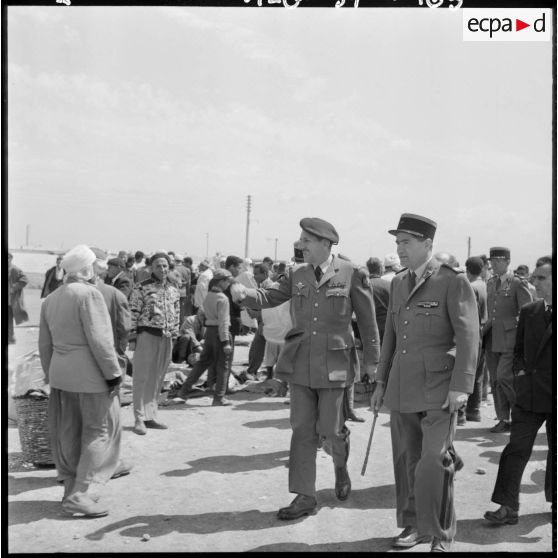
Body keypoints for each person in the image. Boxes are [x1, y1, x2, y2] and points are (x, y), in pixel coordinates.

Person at [232, 217, 380, 520]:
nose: (301, 245)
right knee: (302, 430)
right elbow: (267, 297)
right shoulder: (296, 273)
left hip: (336, 366)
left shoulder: (353, 273)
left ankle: (340, 467)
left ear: (326, 244)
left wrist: (373, 362)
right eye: (301, 240)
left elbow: (367, 322)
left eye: (307, 241)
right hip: (300, 365)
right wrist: (242, 293)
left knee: (331, 430)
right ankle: (305, 495)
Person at [370, 213, 479, 552]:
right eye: (398, 242)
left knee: (435, 461)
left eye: (407, 242)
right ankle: (414, 525)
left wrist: (462, 386)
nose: (400, 249)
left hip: (439, 389)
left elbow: (469, 335)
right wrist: (380, 383)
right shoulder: (399, 282)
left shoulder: (451, 281)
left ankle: (441, 534)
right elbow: (390, 335)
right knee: (407, 461)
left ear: (428, 244)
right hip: (402, 386)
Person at [38, 245, 123, 517]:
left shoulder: (51, 298)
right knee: (97, 432)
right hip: (89, 374)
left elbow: (44, 344)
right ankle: (79, 494)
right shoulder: (89, 294)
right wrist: (113, 374)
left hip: (61, 375)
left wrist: (51, 373)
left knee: (70, 432)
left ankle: (69, 490)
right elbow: (100, 341)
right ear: (86, 269)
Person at [484, 256, 553, 525]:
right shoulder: (531, 311)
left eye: (541, 278)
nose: (534, 282)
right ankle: (507, 506)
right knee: (516, 449)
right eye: (534, 277)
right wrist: (521, 374)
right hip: (529, 396)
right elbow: (519, 351)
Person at [128, 252, 180, 435]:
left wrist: (174, 335)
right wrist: (132, 338)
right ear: (151, 268)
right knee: (141, 377)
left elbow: (177, 312)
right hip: (146, 335)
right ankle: (138, 418)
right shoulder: (141, 288)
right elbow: (133, 312)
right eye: (158, 266)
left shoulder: (173, 289)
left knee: (158, 378)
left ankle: (150, 416)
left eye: (165, 265)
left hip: (165, 338)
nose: (162, 269)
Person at [483, 247, 532, 433]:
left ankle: (521, 414)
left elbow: (528, 313)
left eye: (498, 261)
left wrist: (512, 326)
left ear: (507, 262)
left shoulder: (517, 283)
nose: (493, 264)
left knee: (505, 377)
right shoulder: (490, 283)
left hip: (510, 339)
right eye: (492, 261)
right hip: (491, 338)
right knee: (495, 381)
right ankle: (503, 418)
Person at [176, 269, 235, 406]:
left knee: (202, 363)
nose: (228, 284)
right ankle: (219, 397)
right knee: (223, 367)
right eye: (227, 281)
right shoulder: (223, 298)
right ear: (222, 281)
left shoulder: (209, 296)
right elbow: (224, 322)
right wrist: (226, 342)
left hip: (209, 334)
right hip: (220, 335)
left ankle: (183, 391)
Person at [463, 256, 488, 423]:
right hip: (482, 333)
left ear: (467, 269)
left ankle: (460, 414)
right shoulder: (484, 285)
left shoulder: (470, 287)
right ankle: (474, 410)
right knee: (477, 374)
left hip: (471, 334)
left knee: (465, 373)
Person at [365, 256, 390, 344]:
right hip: (386, 327)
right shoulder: (389, 285)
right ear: (380, 269)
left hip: (367, 327)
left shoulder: (362, 286)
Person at [8, 252, 29, 344]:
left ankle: (11, 338)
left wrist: (14, 287)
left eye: (8, 258)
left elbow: (25, 280)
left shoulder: (16, 270)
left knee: (9, 320)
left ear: (11, 259)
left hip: (11, 301)